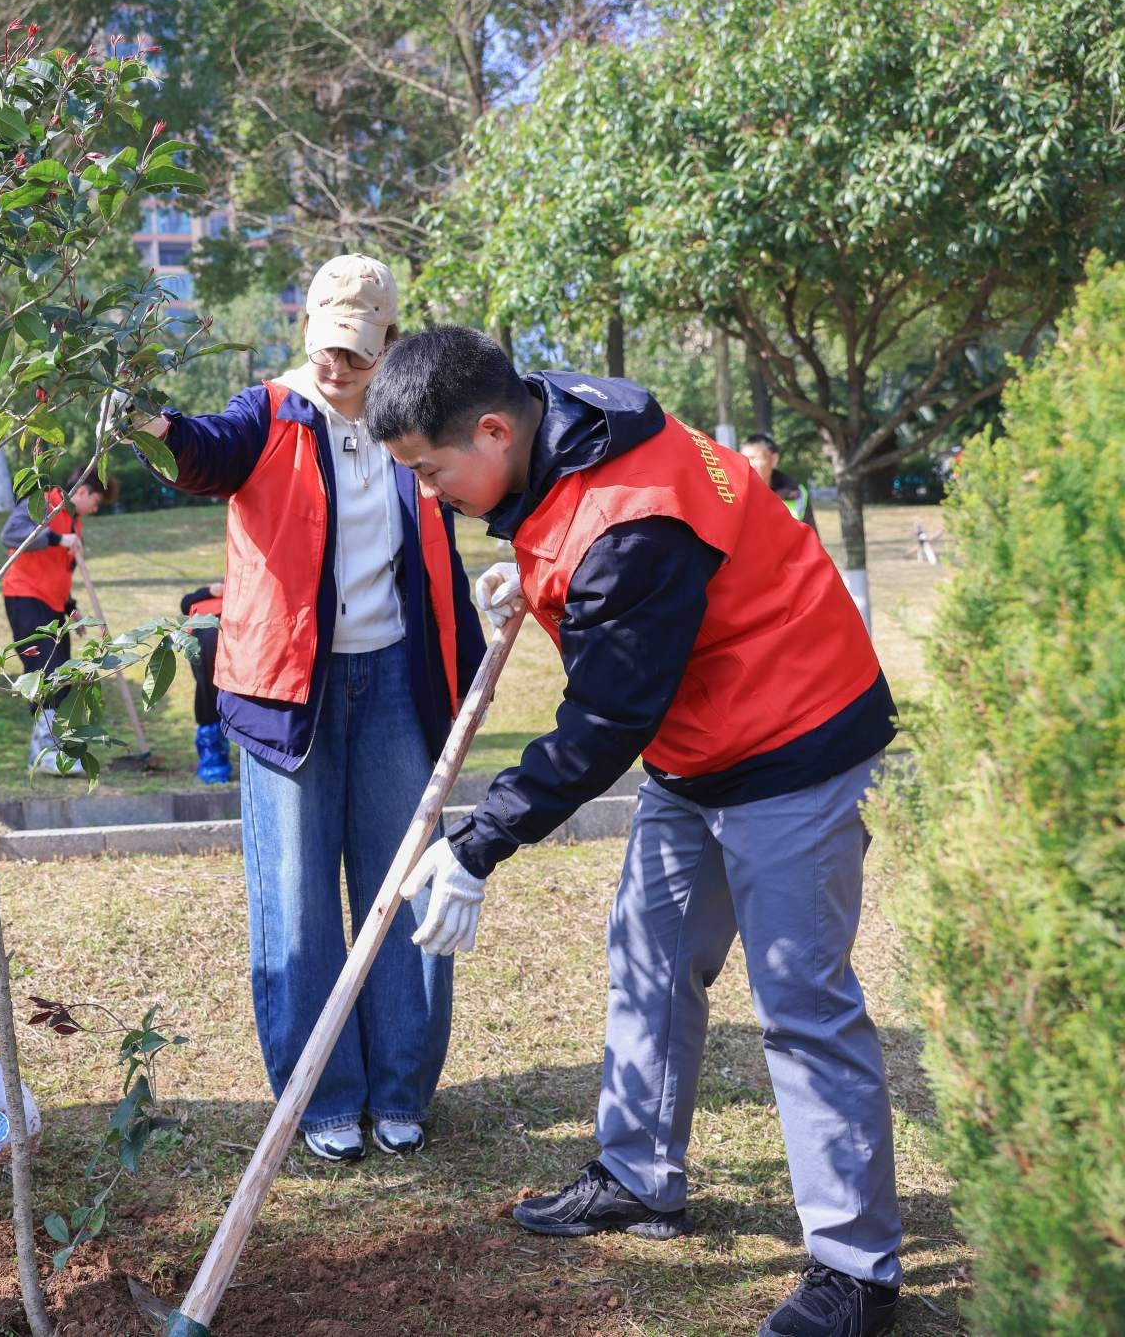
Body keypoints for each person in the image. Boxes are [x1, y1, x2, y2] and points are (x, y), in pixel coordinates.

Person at [367, 327, 903, 1337]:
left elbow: (604, 721)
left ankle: (855, 1269)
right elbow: (582, 548)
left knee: (801, 1002)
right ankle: (638, 1174)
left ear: (492, 430)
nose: (426, 494)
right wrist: (533, 572)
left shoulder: (631, 525)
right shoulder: (564, 414)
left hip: (797, 737)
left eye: (430, 472)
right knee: (648, 956)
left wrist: (479, 843)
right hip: (697, 740)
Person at [132, 254, 484, 1160]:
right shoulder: (271, 412)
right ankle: (321, 1098)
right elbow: (203, 452)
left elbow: (471, 503)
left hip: (398, 683)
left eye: (359, 353)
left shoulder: (414, 419)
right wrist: (150, 422)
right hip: (291, 690)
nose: (339, 366)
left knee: (402, 884)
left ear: (390, 345)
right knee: (297, 898)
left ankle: (401, 1086)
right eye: (328, 346)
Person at [0, 476, 110, 776]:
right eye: (96, 502)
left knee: (62, 675)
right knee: (47, 673)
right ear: (83, 491)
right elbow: (11, 535)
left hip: (53, 605)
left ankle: (52, 751)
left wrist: (70, 608)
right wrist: (59, 539)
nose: (95, 509)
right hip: (25, 597)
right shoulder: (43, 504)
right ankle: (45, 753)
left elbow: (58, 572)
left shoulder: (75, 523)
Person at [179, 580, 229, 783]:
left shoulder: (202, 599)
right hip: (209, 637)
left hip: (208, 637)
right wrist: (210, 590)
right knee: (210, 700)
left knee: (208, 699)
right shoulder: (203, 598)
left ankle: (214, 769)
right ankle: (214, 768)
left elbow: (185, 603)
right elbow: (185, 602)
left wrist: (210, 590)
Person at [740, 432, 816, 527]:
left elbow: (809, 534)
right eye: (744, 459)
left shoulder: (797, 493)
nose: (750, 464)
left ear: (774, 459)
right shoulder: (731, 494)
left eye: (754, 458)